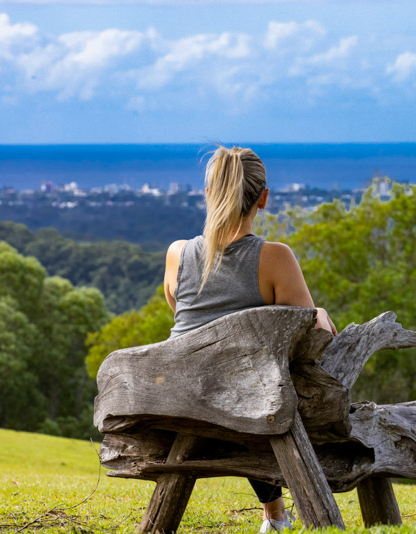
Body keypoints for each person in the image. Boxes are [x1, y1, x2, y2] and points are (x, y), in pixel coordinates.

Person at [162, 146, 336, 533]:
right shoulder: (275, 258)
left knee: (241, 386)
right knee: (260, 392)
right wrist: (318, 314)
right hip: (242, 415)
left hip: (172, 408)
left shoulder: (178, 254)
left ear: (209, 194)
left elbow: (181, 314)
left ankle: (274, 515)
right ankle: (279, 515)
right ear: (264, 198)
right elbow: (316, 340)